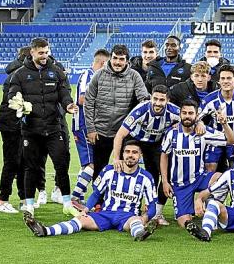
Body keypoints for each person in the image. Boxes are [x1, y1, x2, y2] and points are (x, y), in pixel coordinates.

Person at [22, 141, 159, 241]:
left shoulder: (146, 177)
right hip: (105, 214)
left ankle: (141, 233)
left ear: (140, 156)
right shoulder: (109, 170)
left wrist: (145, 218)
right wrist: (86, 209)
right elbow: (96, 193)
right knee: (80, 219)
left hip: (127, 216)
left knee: (136, 221)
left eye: (134, 152)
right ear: (122, 153)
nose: (130, 155)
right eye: (127, 152)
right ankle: (46, 230)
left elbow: (152, 205)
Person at [7, 38, 78, 216]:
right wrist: (19, 104)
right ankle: (29, 204)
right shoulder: (20, 74)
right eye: (41, 53)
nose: (45, 56)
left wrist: (69, 105)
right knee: (31, 167)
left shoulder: (57, 72)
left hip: (54, 127)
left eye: (47, 52)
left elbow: (64, 92)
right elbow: (12, 95)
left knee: (61, 165)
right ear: (32, 53)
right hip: (31, 130)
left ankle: (67, 202)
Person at [159, 99, 234, 228]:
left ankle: (211, 207)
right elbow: (164, 156)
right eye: (184, 113)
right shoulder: (171, 134)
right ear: (180, 114)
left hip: (200, 178)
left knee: (220, 177)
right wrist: (165, 181)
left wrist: (224, 124)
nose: (187, 116)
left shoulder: (203, 133)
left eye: (190, 113)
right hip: (180, 184)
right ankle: (193, 227)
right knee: (184, 221)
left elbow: (231, 140)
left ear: (196, 115)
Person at [84, 44, 150, 181]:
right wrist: (90, 128)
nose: (117, 62)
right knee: (99, 170)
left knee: (123, 169)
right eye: (115, 58)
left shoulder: (134, 76)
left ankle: (122, 200)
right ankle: (99, 202)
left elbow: (144, 99)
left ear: (127, 61)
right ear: (110, 58)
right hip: (100, 131)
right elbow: (88, 102)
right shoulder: (99, 75)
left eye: (121, 59)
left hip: (122, 132)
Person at [110, 84, 180, 212]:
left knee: (165, 174)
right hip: (136, 141)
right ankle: (120, 206)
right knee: (121, 169)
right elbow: (120, 135)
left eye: (162, 100)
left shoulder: (174, 111)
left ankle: (156, 213)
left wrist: (190, 124)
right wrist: (116, 158)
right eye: (155, 99)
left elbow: (192, 119)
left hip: (156, 144)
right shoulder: (140, 110)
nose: (158, 103)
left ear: (168, 100)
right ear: (150, 98)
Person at [70, 49, 109, 206]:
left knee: (90, 162)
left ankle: (79, 197)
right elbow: (82, 98)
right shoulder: (89, 75)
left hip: (91, 124)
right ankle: (75, 197)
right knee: (91, 164)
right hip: (84, 124)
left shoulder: (95, 76)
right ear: (103, 63)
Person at [0, 46, 31, 213]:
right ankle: (3, 201)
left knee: (23, 161)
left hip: (17, 124)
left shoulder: (19, 74)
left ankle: (24, 199)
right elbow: (12, 102)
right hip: (10, 124)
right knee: (12, 161)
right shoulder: (16, 76)